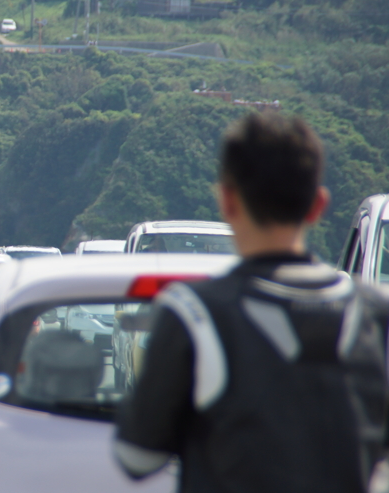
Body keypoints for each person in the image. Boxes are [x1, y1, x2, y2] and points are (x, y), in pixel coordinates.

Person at [113, 111, 389, 493]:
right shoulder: (375, 315)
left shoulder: (194, 313)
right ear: (317, 206)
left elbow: (136, 457)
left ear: (227, 201)